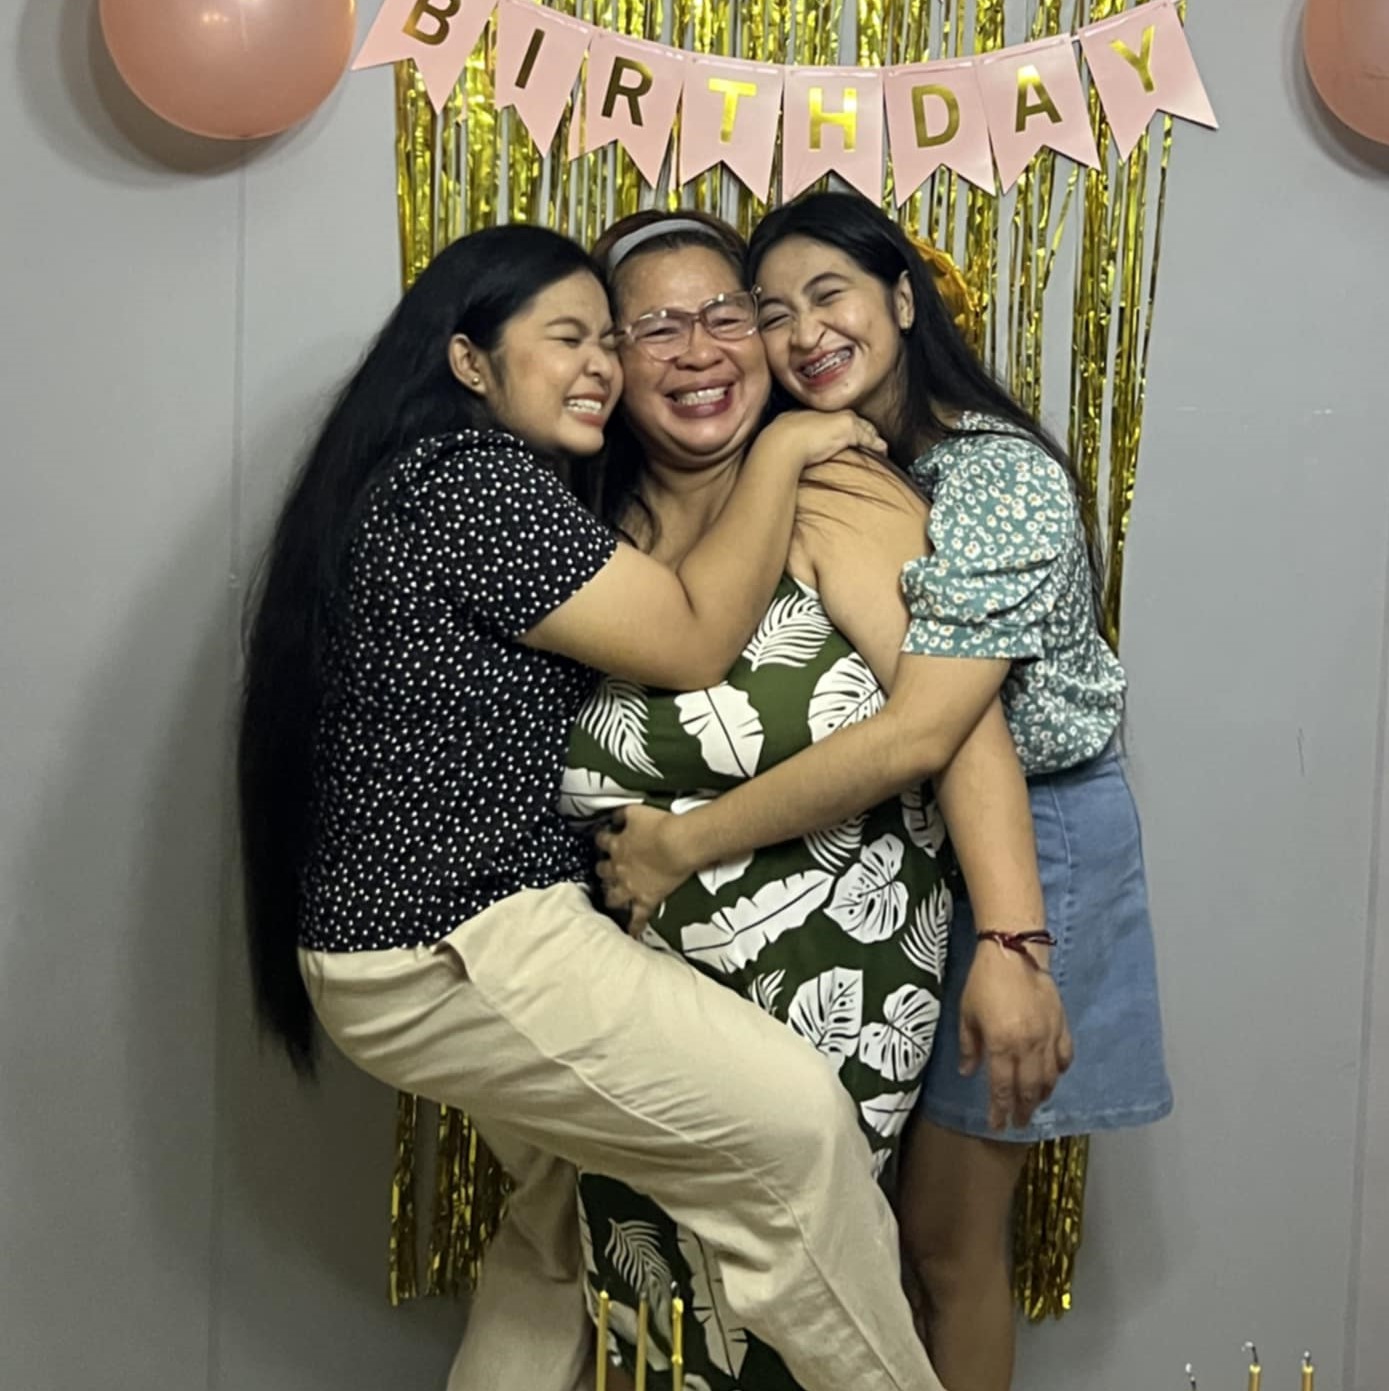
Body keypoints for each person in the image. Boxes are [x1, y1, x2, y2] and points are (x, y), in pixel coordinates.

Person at [236, 221, 949, 1391]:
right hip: (461, 945)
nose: (602, 368)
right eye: (573, 338)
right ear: (470, 361)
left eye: (605, 343)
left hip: (406, 949)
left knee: (558, 1219)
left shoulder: (437, 478)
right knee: (800, 1136)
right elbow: (691, 638)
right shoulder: (473, 483)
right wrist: (782, 450)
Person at [598, 192, 1171, 1391]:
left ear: (904, 299)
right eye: (774, 312)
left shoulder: (988, 476)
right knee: (889, 1243)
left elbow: (929, 731)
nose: (804, 333)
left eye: (831, 296)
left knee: (945, 1246)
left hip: (1036, 834)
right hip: (930, 837)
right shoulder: (859, 457)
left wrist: (1014, 942)